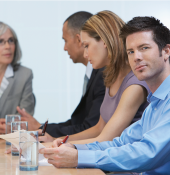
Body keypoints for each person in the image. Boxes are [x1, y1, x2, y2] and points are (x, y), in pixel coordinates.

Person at [40, 15, 170, 174]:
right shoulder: (154, 105)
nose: (136, 57)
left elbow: (148, 153)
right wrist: (73, 147)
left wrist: (78, 157)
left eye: (144, 48)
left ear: (166, 51)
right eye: (130, 51)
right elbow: (121, 142)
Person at [41, 11, 149, 145]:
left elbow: (106, 138)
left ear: (104, 41)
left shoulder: (135, 84)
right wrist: (57, 140)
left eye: (87, 46)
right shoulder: (111, 76)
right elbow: (99, 128)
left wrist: (61, 145)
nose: (85, 54)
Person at [17, 11, 106, 139]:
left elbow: (90, 127)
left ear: (78, 39)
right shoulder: (93, 73)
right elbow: (78, 122)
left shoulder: (102, 75)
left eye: (65, 41)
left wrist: (43, 130)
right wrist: (41, 128)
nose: (64, 48)